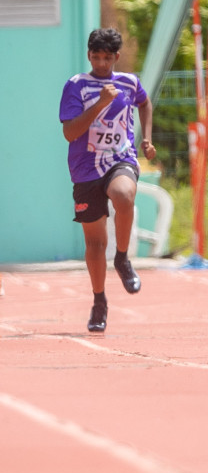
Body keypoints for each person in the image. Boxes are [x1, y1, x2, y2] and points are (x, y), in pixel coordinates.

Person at [60, 27, 155, 333]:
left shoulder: (129, 82)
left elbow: (145, 102)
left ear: (116, 57)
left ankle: (124, 259)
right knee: (95, 242)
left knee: (124, 195)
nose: (101, 63)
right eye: (95, 57)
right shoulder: (76, 86)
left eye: (107, 58)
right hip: (85, 170)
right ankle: (99, 300)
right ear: (89, 55)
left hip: (119, 158)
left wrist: (146, 139)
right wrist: (100, 104)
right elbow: (70, 133)